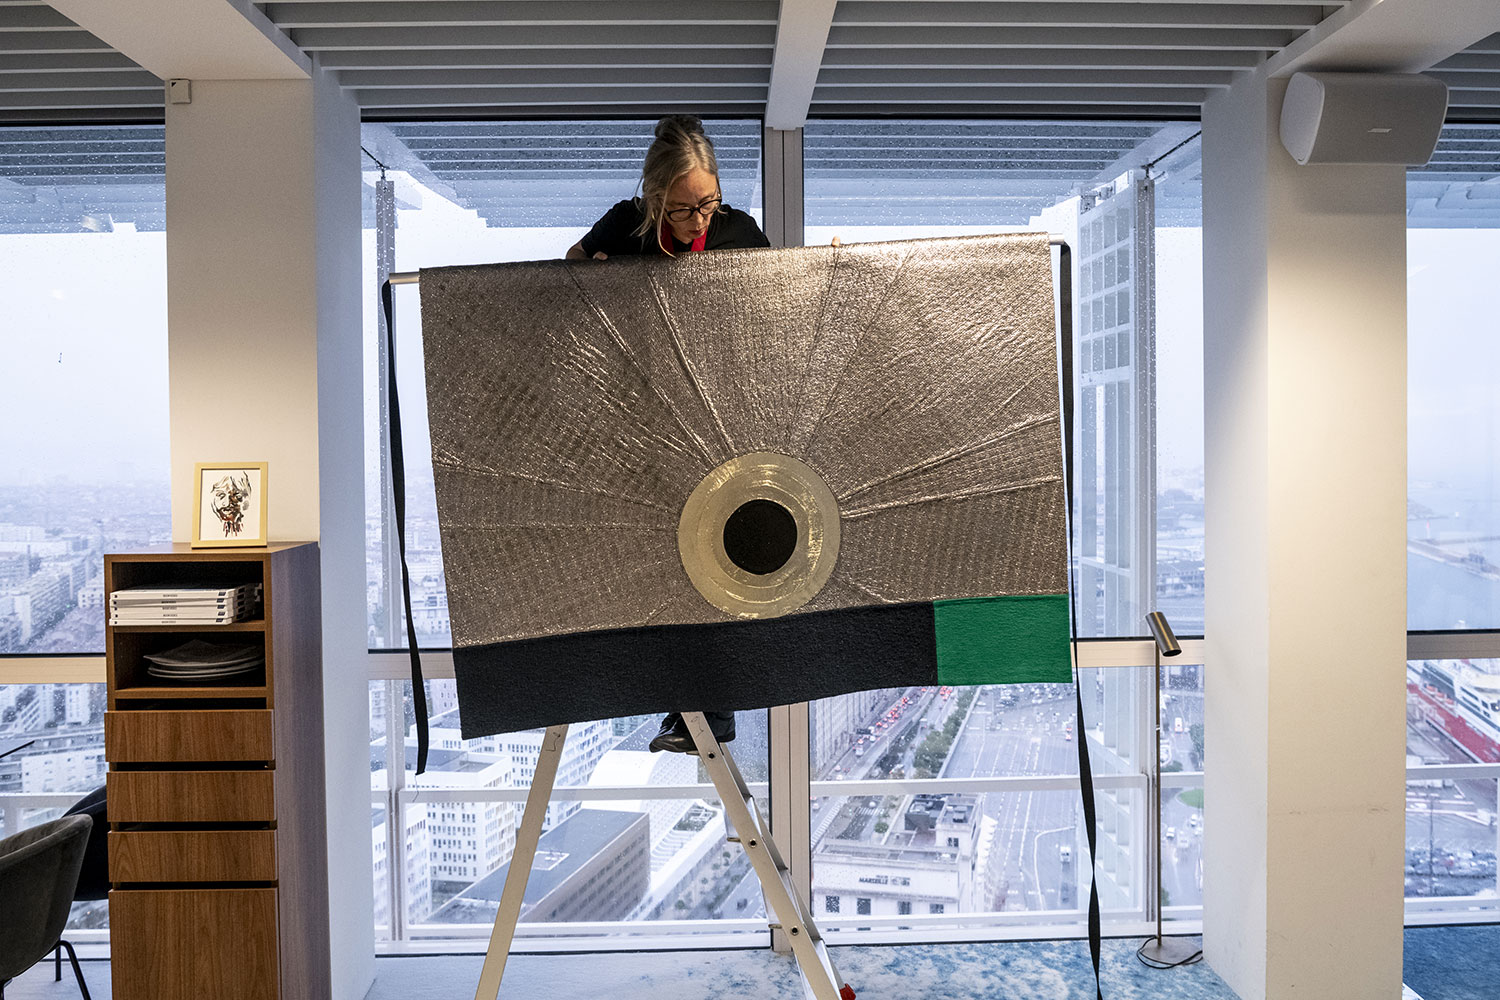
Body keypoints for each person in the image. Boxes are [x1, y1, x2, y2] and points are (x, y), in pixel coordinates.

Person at [566, 115, 768, 754]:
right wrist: (595, 274)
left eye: (707, 203)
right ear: (654, 198)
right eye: (682, 209)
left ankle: (712, 713)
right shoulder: (625, 226)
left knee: (718, 555)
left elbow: (779, 304)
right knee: (656, 560)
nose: (698, 220)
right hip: (643, 423)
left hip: (722, 421)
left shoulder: (738, 232)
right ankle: (684, 706)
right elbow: (569, 271)